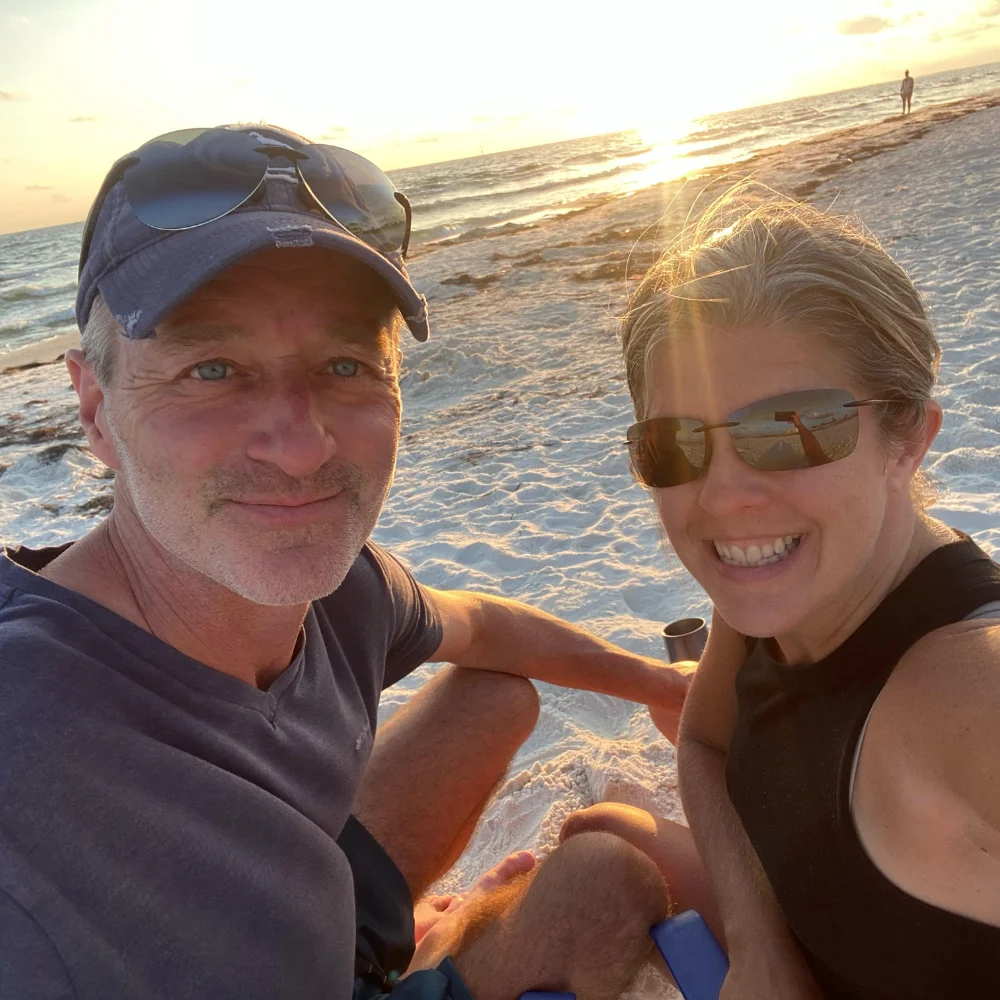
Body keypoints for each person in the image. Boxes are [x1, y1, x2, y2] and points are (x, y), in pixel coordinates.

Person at [0, 124, 689, 1000]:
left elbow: (486, 625)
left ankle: (389, 946)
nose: (299, 445)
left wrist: (660, 687)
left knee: (495, 691)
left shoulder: (343, 591)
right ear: (95, 408)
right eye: (213, 368)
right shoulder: (28, 776)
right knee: (608, 875)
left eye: (345, 363)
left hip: (310, 916)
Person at [564, 192, 1000, 998]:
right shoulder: (772, 601)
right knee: (600, 833)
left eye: (793, 429)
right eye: (675, 445)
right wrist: (763, 944)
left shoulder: (968, 690)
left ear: (908, 438)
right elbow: (702, 746)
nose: (723, 497)